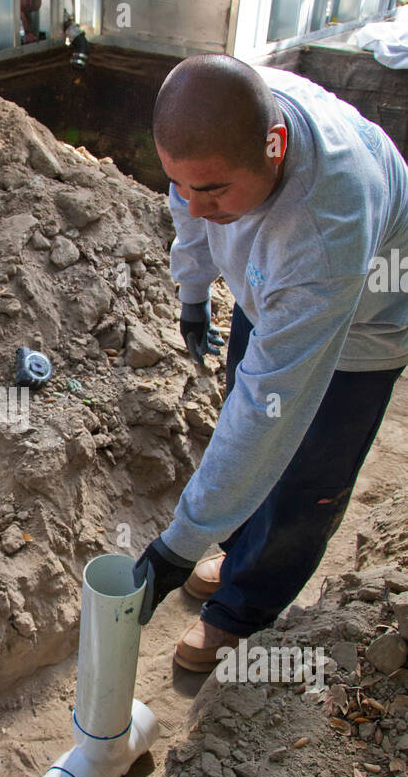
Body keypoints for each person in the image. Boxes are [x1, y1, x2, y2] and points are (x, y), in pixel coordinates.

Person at [133, 54, 408, 669]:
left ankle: (243, 609)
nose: (196, 205)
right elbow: (188, 205)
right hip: (274, 287)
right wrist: (195, 289)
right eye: (181, 182)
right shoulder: (222, 133)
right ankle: (236, 552)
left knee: (304, 476)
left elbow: (266, 413)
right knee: (247, 412)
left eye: (214, 190)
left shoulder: (324, 229)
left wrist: (176, 545)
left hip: (363, 321)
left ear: (276, 146)